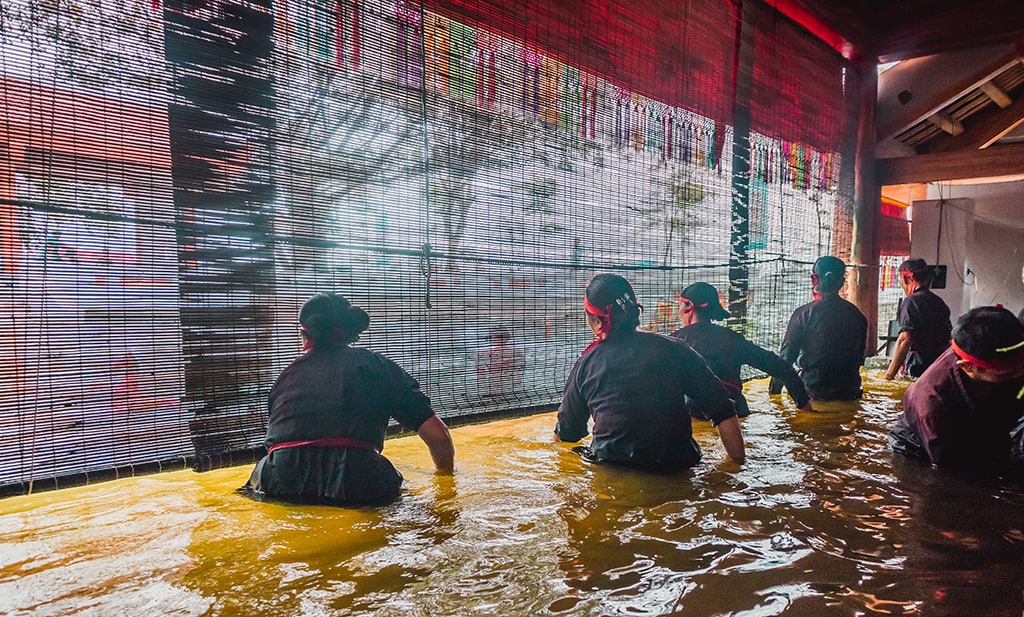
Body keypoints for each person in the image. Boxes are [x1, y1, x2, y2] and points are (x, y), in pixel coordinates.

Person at [242, 293, 455, 505]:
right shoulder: (375, 366)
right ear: (351, 333)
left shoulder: (285, 377)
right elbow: (439, 437)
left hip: (274, 480)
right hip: (355, 478)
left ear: (305, 335)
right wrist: (446, 480)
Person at [555, 273, 745, 470]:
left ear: (596, 320)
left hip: (612, 466)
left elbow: (567, 432)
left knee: (578, 452)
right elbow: (723, 410)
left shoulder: (586, 364)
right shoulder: (677, 350)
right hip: (677, 466)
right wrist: (737, 467)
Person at [890, 306, 1024, 470]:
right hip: (918, 449)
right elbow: (950, 465)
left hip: (983, 415)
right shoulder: (932, 403)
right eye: (1007, 375)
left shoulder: (1012, 356)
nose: (1020, 373)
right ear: (968, 367)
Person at [669, 281, 813, 416]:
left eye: (679, 305)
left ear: (689, 305)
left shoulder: (674, 342)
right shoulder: (733, 339)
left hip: (695, 411)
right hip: (736, 410)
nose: (678, 311)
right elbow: (782, 368)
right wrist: (806, 409)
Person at [777, 256, 868, 401]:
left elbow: (785, 361)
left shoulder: (803, 314)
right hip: (850, 392)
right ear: (842, 282)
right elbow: (859, 357)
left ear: (814, 279)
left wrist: (773, 397)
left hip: (813, 393)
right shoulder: (857, 316)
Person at [883, 258, 952, 380]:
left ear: (906, 278)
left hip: (919, 366)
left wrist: (889, 375)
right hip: (940, 364)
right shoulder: (939, 302)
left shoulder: (910, 302)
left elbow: (904, 340)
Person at [475, 323, 526, 399]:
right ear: (508, 337)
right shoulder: (517, 352)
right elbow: (521, 369)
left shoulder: (484, 354)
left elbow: (480, 375)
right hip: (513, 387)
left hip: (496, 387)